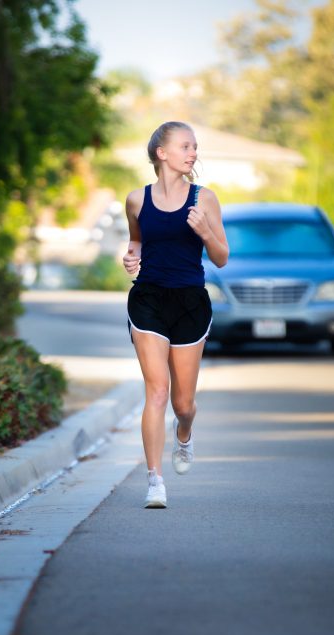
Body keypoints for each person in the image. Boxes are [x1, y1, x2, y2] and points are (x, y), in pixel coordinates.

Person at [122, 121, 229, 509]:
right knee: (157, 391)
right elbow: (137, 240)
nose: (193, 152)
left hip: (190, 303)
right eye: (185, 146)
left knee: (183, 404)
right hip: (148, 299)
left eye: (195, 146)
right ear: (161, 153)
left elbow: (221, 257)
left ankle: (184, 432)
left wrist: (205, 232)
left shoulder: (205, 199)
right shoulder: (136, 200)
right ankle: (155, 481)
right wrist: (131, 256)